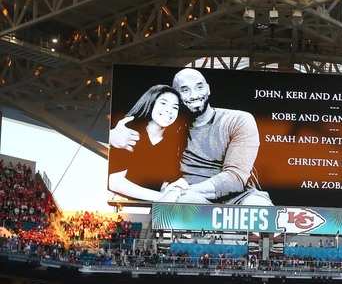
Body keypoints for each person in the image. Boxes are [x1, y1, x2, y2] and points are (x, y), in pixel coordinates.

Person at [110, 68, 272, 206]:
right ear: (178, 96)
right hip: (190, 199)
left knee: (262, 208)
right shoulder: (171, 127)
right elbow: (145, 137)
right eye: (185, 90)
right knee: (186, 210)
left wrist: (177, 192)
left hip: (239, 197)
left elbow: (235, 177)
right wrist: (112, 136)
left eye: (199, 87)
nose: (194, 95)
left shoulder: (237, 120)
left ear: (208, 89)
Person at [108, 85, 190, 202]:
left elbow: (164, 182)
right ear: (151, 103)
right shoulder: (129, 132)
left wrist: (174, 188)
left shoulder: (173, 143)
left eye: (175, 107)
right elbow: (115, 183)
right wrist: (162, 197)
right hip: (121, 206)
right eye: (163, 103)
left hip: (151, 209)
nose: (169, 110)